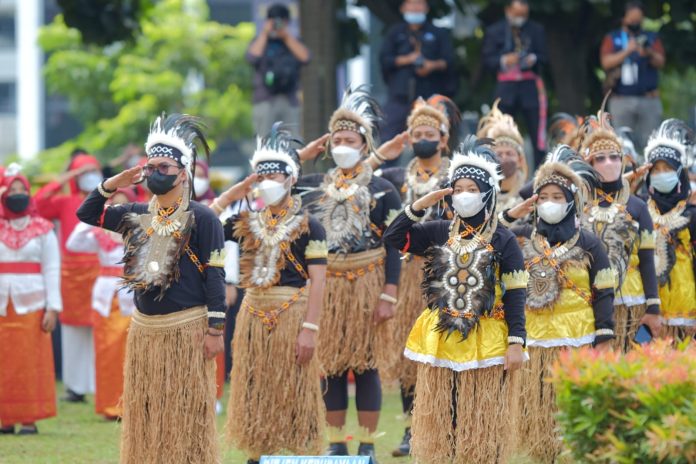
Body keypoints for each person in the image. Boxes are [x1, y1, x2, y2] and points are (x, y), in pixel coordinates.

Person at [76, 113, 226, 463]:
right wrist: (112, 183)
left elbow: (215, 275)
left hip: (187, 328)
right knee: (146, 407)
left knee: (186, 408)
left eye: (164, 166)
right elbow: (87, 213)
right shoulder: (135, 213)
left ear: (183, 172)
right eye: (151, 165)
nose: (156, 172)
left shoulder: (204, 218)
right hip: (145, 330)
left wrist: (215, 328)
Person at [382, 137, 527, 463]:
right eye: (457, 188)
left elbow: (517, 292)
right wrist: (419, 205)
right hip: (442, 341)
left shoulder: (504, 238)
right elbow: (393, 238)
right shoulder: (439, 230)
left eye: (471, 189)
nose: (463, 195)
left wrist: (517, 341)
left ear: (487, 193)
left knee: (481, 424)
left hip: (487, 340)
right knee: (443, 419)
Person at [210, 125, 327, 464]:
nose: (266, 184)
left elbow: (319, 281)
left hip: (292, 312)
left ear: (291, 179)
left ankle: (297, 453)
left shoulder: (310, 225)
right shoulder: (244, 221)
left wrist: (310, 329)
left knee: (294, 385)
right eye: (261, 178)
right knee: (253, 384)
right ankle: (257, 452)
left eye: (273, 176)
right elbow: (200, 224)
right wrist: (232, 195)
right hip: (252, 314)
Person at [297, 86, 402, 461]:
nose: (342, 144)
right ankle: (337, 443)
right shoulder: (315, 187)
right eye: (337, 139)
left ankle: (368, 445)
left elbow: (395, 243)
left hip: (368, 284)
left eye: (350, 139)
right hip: (329, 287)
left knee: (367, 364)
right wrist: (300, 156)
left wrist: (390, 292)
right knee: (332, 366)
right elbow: (273, 181)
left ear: (363, 144)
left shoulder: (383, 189)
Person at [512, 146, 615, 462]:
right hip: (536, 339)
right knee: (539, 408)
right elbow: (492, 234)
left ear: (571, 201)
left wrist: (605, 334)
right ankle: (543, 456)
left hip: (578, 338)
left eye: (558, 197)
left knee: (572, 407)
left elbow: (605, 289)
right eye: (543, 198)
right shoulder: (521, 238)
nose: (549, 203)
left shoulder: (589, 242)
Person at [370, 99, 452, 458]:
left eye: (429, 134)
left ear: (443, 139)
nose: (422, 139)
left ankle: (447, 425)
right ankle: (410, 428)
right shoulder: (396, 177)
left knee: (445, 347)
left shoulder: (454, 176)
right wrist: (381, 154)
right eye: (416, 134)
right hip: (406, 275)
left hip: (447, 273)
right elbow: (358, 178)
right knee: (410, 354)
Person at [580, 106, 662, 351]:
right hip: (588, 301)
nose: (609, 163)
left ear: (624, 160)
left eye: (615, 156)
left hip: (630, 302)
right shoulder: (578, 204)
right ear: (589, 163)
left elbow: (648, 261)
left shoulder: (637, 207)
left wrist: (654, 307)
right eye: (601, 158)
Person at [35, 153, 102, 403]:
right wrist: (64, 179)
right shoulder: (66, 201)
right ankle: (75, 386)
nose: (89, 176)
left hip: (100, 273)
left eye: (92, 170)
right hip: (72, 275)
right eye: (83, 172)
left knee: (102, 331)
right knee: (73, 331)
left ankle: (101, 384)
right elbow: (37, 204)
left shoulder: (106, 201)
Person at [0, 165, 61, 435]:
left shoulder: (43, 228)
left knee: (30, 362)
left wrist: (53, 307)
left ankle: (28, 419)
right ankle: (5, 419)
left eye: (21, 189)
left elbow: (52, 268)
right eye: (11, 190)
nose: (17, 194)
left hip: (33, 304)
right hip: (2, 304)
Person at [66, 188, 136, 420]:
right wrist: (94, 217)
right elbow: (73, 244)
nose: (119, 209)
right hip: (105, 299)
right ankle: (109, 406)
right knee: (106, 353)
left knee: (132, 353)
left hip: (132, 297)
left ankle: (133, 405)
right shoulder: (100, 234)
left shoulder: (139, 231)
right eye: (115, 205)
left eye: (124, 205)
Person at [643, 119, 696, 341]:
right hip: (648, 313)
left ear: (680, 173)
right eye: (656, 169)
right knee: (646, 367)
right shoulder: (639, 212)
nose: (662, 173)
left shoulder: (692, 214)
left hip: (687, 310)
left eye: (668, 169)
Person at [379, 0, 456, 145]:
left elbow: (449, 61)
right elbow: (385, 60)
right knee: (388, 139)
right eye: (411, 3)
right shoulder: (394, 33)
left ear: (426, 7)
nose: (415, 7)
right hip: (399, 96)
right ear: (402, 7)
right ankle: (386, 168)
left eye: (419, 3)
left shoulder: (438, 33)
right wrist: (407, 59)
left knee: (432, 139)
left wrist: (431, 65)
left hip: (430, 97)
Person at [482, 0, 548, 167]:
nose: (520, 18)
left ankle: (540, 174)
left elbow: (545, 58)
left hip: (530, 87)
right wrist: (505, 60)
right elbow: (487, 60)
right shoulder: (495, 30)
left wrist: (533, 59)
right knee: (499, 131)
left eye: (523, 14)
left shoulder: (536, 29)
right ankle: (497, 170)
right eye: (517, 14)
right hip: (506, 88)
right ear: (508, 10)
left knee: (537, 135)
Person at [600, 1, 665, 151]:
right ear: (624, 19)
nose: (635, 23)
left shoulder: (650, 37)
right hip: (621, 100)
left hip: (648, 99)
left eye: (638, 20)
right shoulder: (613, 38)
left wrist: (648, 52)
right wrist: (627, 51)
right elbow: (606, 62)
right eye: (632, 20)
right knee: (622, 145)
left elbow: (661, 61)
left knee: (651, 144)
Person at [246, 3, 310, 137]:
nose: (277, 25)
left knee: (293, 141)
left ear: (287, 22)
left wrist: (286, 36)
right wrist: (264, 33)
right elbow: (252, 57)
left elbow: (306, 58)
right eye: (273, 21)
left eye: (281, 21)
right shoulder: (261, 41)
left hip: (290, 98)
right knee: (263, 140)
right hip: (265, 98)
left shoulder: (293, 41)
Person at [476, 99, 530, 227]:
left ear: (520, 159)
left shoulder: (530, 196)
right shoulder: (480, 196)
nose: (504, 158)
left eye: (509, 154)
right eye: (499, 154)